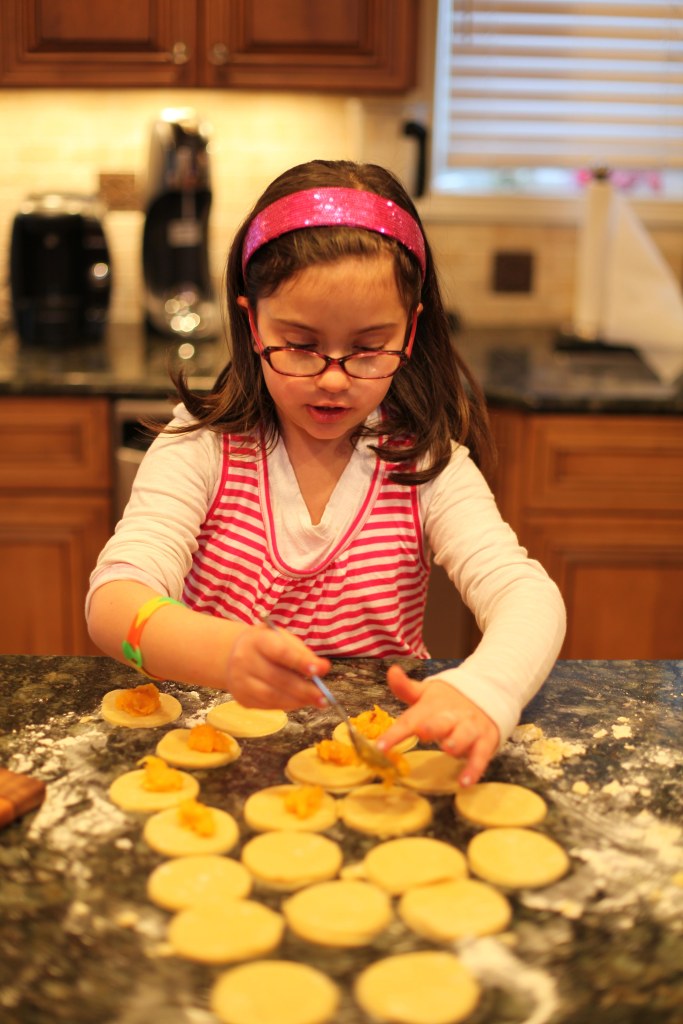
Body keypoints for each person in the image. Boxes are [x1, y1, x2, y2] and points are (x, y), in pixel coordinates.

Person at [87, 159, 565, 786]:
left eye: (369, 347)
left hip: (376, 767)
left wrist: (485, 690)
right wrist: (227, 655)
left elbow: (528, 595)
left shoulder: (425, 464)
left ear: (411, 329)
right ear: (253, 321)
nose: (334, 377)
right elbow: (112, 605)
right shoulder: (199, 450)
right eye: (301, 344)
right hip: (209, 764)